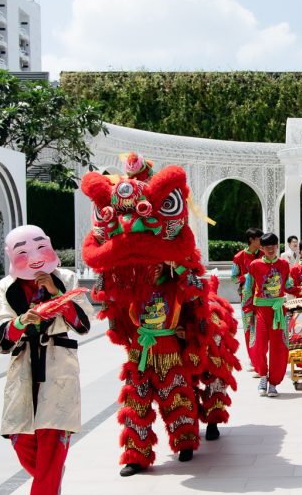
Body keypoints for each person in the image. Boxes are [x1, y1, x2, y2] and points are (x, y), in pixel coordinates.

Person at [81, 154, 241, 476]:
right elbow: (107, 299)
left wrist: (178, 273)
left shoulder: (175, 271)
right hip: (140, 349)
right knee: (135, 401)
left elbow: (195, 291)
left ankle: (185, 441)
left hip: (170, 347)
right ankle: (135, 456)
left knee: (176, 394)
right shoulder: (125, 275)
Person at [0, 225, 94, 495]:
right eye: (23, 252)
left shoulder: (67, 278)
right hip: (23, 364)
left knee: (53, 433)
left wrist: (55, 293)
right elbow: (0, 336)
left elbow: (83, 324)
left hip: (58, 364)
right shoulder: (6, 287)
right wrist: (21, 321)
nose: (34, 258)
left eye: (39, 247)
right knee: (19, 435)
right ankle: (49, 477)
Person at [245, 232, 293, 398]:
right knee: (258, 346)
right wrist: (247, 310)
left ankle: (273, 383)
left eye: (273, 246)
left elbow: (288, 285)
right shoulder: (254, 265)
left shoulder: (284, 265)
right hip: (261, 310)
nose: (270, 249)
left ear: (277, 246)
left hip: (278, 311)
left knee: (279, 348)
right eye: (267, 247)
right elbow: (248, 289)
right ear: (262, 248)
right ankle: (263, 377)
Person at [232, 228, 264, 376]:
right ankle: (253, 359)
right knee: (249, 328)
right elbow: (233, 278)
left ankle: (260, 358)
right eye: (259, 239)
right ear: (251, 240)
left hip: (262, 297)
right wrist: (246, 276)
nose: (261, 242)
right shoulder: (239, 257)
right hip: (246, 298)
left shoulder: (263, 255)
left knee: (261, 329)